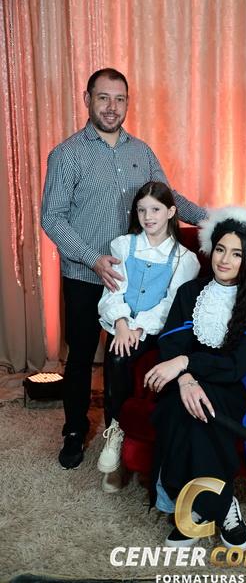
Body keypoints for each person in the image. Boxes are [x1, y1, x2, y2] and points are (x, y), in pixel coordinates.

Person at [41, 68, 206, 470]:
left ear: (128, 103)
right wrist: (92, 258)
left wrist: (215, 220)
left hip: (138, 277)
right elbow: (52, 217)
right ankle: (75, 430)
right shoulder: (66, 154)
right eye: (103, 98)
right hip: (85, 274)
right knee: (81, 355)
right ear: (87, 100)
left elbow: (168, 198)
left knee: (128, 352)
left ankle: (124, 428)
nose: (112, 107)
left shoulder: (142, 152)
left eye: (119, 99)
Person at [143, 206, 246, 549]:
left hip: (235, 383)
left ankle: (201, 510)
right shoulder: (190, 292)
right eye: (220, 249)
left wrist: (185, 363)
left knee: (204, 411)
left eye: (236, 254)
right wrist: (185, 379)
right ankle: (220, 503)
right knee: (180, 408)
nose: (224, 260)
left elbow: (237, 366)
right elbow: (172, 343)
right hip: (187, 377)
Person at [97, 181, 200, 492]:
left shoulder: (184, 258)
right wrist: (122, 323)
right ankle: (115, 433)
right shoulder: (123, 246)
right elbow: (114, 290)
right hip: (122, 325)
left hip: (155, 328)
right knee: (118, 355)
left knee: (126, 353)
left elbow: (170, 305)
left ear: (170, 212)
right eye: (142, 210)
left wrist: (139, 328)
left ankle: (123, 432)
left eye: (155, 209)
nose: (148, 216)